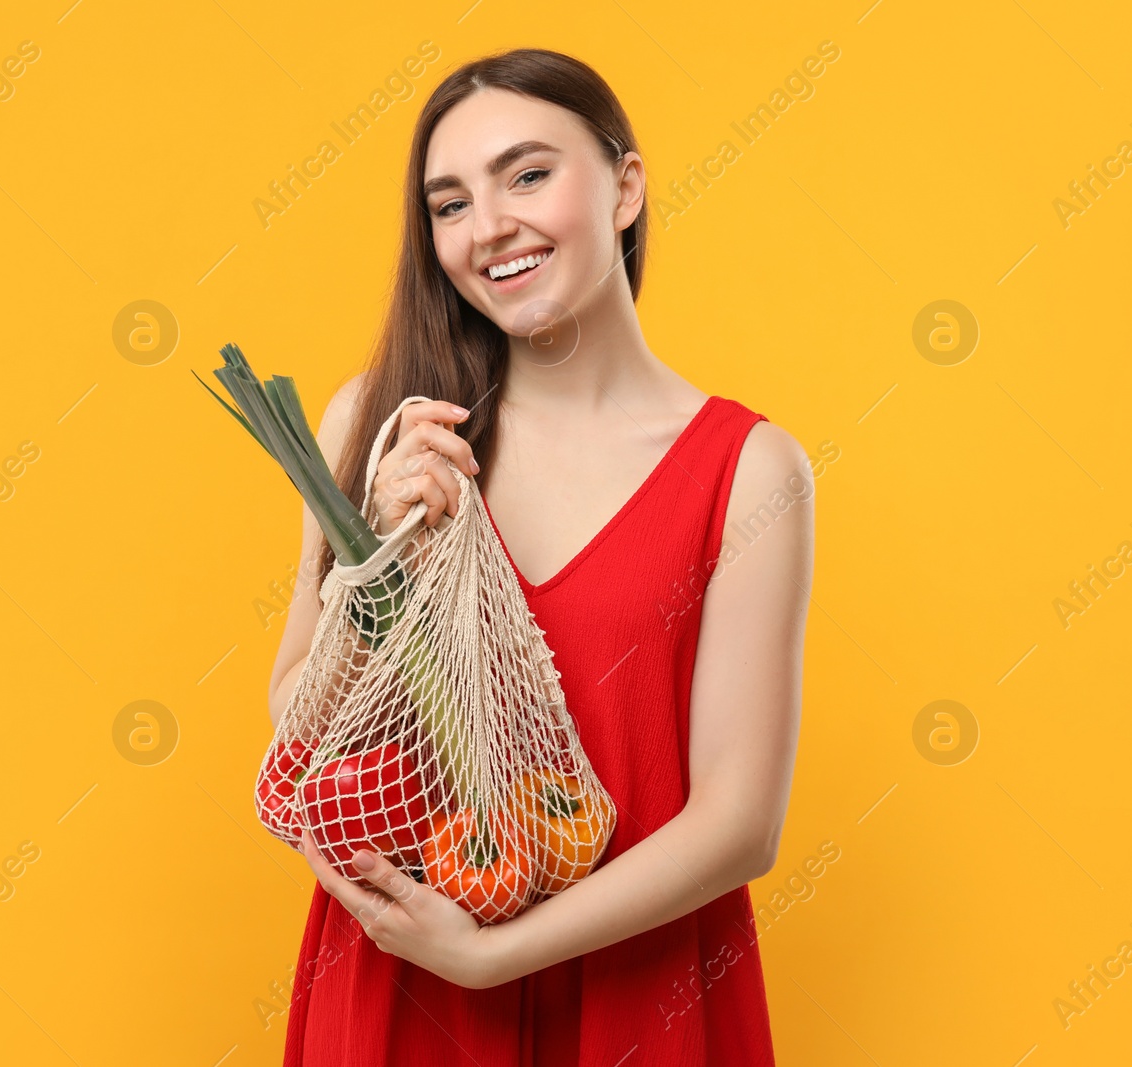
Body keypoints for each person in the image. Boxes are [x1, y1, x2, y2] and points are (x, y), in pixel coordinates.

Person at [265, 47, 812, 1066]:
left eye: (527, 174)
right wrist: (371, 560)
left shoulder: (746, 472)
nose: (489, 228)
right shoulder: (384, 425)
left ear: (624, 187)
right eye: (449, 202)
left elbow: (739, 823)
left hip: (631, 993)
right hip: (400, 985)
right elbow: (296, 713)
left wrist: (494, 955)